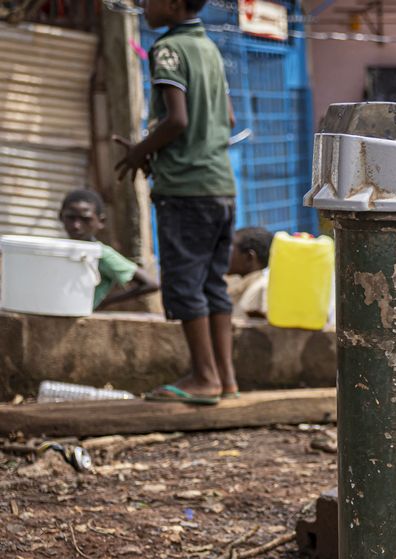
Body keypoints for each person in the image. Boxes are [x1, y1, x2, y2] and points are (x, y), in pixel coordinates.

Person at [115, 0, 237, 405]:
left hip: (186, 189)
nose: (144, 6)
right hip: (221, 186)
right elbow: (228, 119)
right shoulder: (208, 49)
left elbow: (178, 119)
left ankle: (204, 378)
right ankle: (226, 378)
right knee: (213, 284)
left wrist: (139, 152)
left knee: (186, 284)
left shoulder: (168, 49)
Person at [57, 189, 160, 311]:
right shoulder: (57, 249)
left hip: (81, 314)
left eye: (85, 219)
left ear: (101, 221)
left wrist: (104, 302)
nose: (76, 225)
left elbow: (151, 284)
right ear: (60, 217)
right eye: (71, 218)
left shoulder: (101, 253)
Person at [227, 226, 272, 319]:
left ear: (249, 257)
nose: (223, 255)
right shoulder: (239, 281)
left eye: (229, 251)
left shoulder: (260, 289)